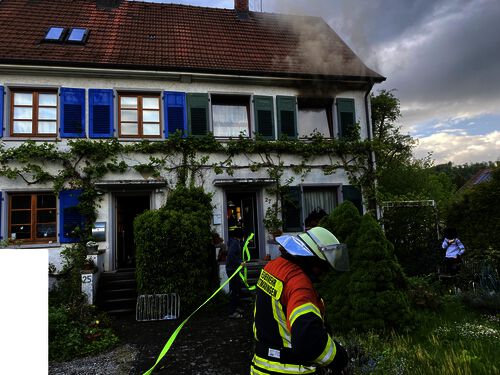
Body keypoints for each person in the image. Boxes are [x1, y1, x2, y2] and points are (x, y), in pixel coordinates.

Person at [251, 227, 349, 375]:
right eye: (323, 266)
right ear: (311, 258)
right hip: (289, 370)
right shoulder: (299, 284)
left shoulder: (273, 267)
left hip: (261, 367)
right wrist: (339, 357)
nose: (323, 273)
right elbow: (308, 337)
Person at [226, 227, 244, 318]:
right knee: (234, 290)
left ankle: (236, 307)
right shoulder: (235, 243)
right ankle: (232, 312)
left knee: (237, 289)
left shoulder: (235, 242)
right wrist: (239, 262)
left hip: (233, 269)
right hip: (232, 270)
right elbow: (231, 255)